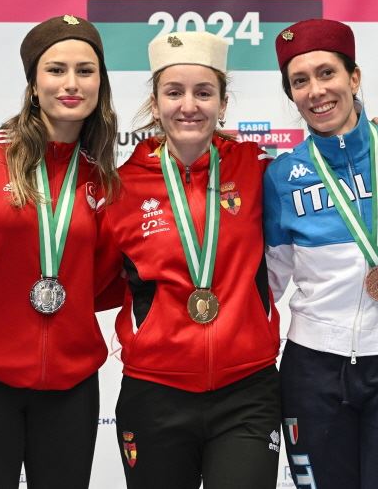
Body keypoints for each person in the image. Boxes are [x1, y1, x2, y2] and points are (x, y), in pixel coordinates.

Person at [264, 18, 378, 489]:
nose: (316, 91)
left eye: (327, 73)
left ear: (354, 77)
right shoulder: (282, 177)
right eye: (299, 81)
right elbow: (268, 283)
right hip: (313, 368)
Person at [104, 30, 282, 489]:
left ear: (222, 103)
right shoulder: (121, 187)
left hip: (247, 391)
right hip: (155, 393)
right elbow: (96, 280)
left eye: (203, 93)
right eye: (174, 92)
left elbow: (326, 169)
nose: (189, 106)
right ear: (155, 102)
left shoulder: (259, 168)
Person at [0, 15, 122, 489]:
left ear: (100, 84)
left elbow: (101, 281)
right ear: (34, 84)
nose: (71, 83)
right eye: (56, 70)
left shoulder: (104, 179)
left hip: (72, 385)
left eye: (85, 71)